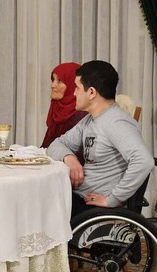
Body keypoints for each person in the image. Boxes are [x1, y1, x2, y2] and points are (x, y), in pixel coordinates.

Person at [47, 60, 153, 219]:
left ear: (91, 92)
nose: (74, 93)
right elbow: (57, 144)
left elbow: (144, 161)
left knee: (36, 204)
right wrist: (69, 158)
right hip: (80, 197)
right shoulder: (90, 120)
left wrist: (113, 200)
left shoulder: (116, 123)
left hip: (93, 209)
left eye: (77, 88)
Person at [40, 62, 88, 148]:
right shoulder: (57, 107)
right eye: (53, 80)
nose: (52, 85)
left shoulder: (82, 114)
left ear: (73, 85)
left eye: (59, 80)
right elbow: (46, 147)